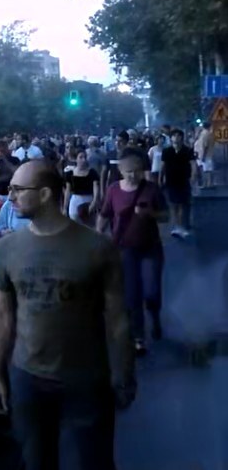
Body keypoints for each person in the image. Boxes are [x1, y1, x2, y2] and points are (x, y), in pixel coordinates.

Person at [0, 160, 135, 470]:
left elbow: (117, 318)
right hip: (28, 376)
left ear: (44, 194)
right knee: (36, 461)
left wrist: (123, 373)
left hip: (86, 377)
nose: (10, 196)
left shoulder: (97, 247)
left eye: (17, 189)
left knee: (93, 461)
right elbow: (2, 316)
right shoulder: (6, 248)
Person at [97, 148, 167, 355]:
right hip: (124, 249)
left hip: (150, 248)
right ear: (120, 170)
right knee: (132, 295)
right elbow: (104, 214)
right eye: (128, 171)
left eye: (136, 170)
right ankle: (138, 337)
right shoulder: (113, 190)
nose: (132, 175)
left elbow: (166, 216)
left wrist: (150, 214)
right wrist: (98, 236)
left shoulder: (152, 189)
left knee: (151, 291)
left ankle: (154, 315)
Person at [160, 128, 197, 238]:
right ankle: (176, 226)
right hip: (171, 181)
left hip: (183, 180)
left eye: (178, 136)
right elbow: (163, 165)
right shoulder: (167, 151)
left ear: (182, 137)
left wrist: (193, 176)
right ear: (171, 138)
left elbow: (193, 164)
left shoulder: (187, 150)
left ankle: (182, 226)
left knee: (182, 204)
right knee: (173, 205)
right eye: (174, 136)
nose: (176, 138)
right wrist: (160, 178)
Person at [63, 149, 100, 224]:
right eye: (81, 157)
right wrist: (65, 207)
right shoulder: (70, 173)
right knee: (74, 221)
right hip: (75, 200)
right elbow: (68, 191)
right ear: (76, 159)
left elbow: (96, 188)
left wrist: (94, 202)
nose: (83, 160)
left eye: (85, 157)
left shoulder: (92, 172)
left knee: (88, 223)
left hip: (88, 200)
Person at [194, 121, 215, 188]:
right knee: (207, 170)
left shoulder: (205, 134)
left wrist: (203, 156)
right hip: (204, 155)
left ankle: (207, 184)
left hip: (205, 155)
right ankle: (208, 184)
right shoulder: (206, 134)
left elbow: (205, 146)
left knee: (207, 170)